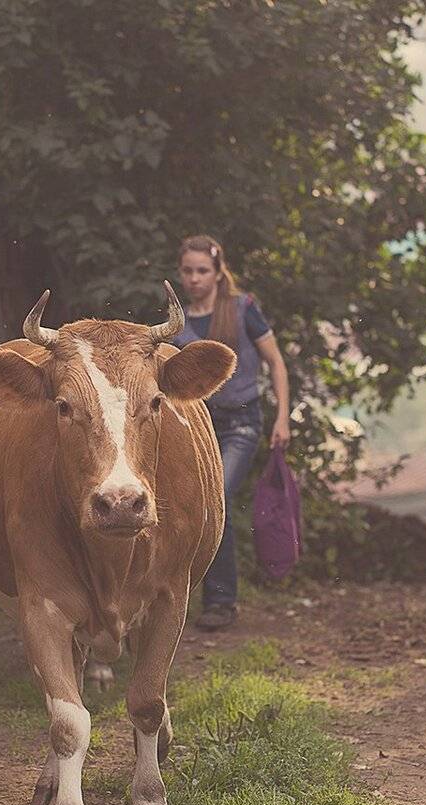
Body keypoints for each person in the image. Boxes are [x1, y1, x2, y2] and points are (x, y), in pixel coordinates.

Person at [171, 235, 290, 631]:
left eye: (202, 270)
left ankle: (222, 601)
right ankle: (170, 595)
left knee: (215, 496)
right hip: (197, 424)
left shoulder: (243, 310)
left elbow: (276, 362)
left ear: (219, 272)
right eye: (187, 271)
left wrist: (282, 417)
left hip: (241, 422)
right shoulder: (178, 323)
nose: (194, 278)